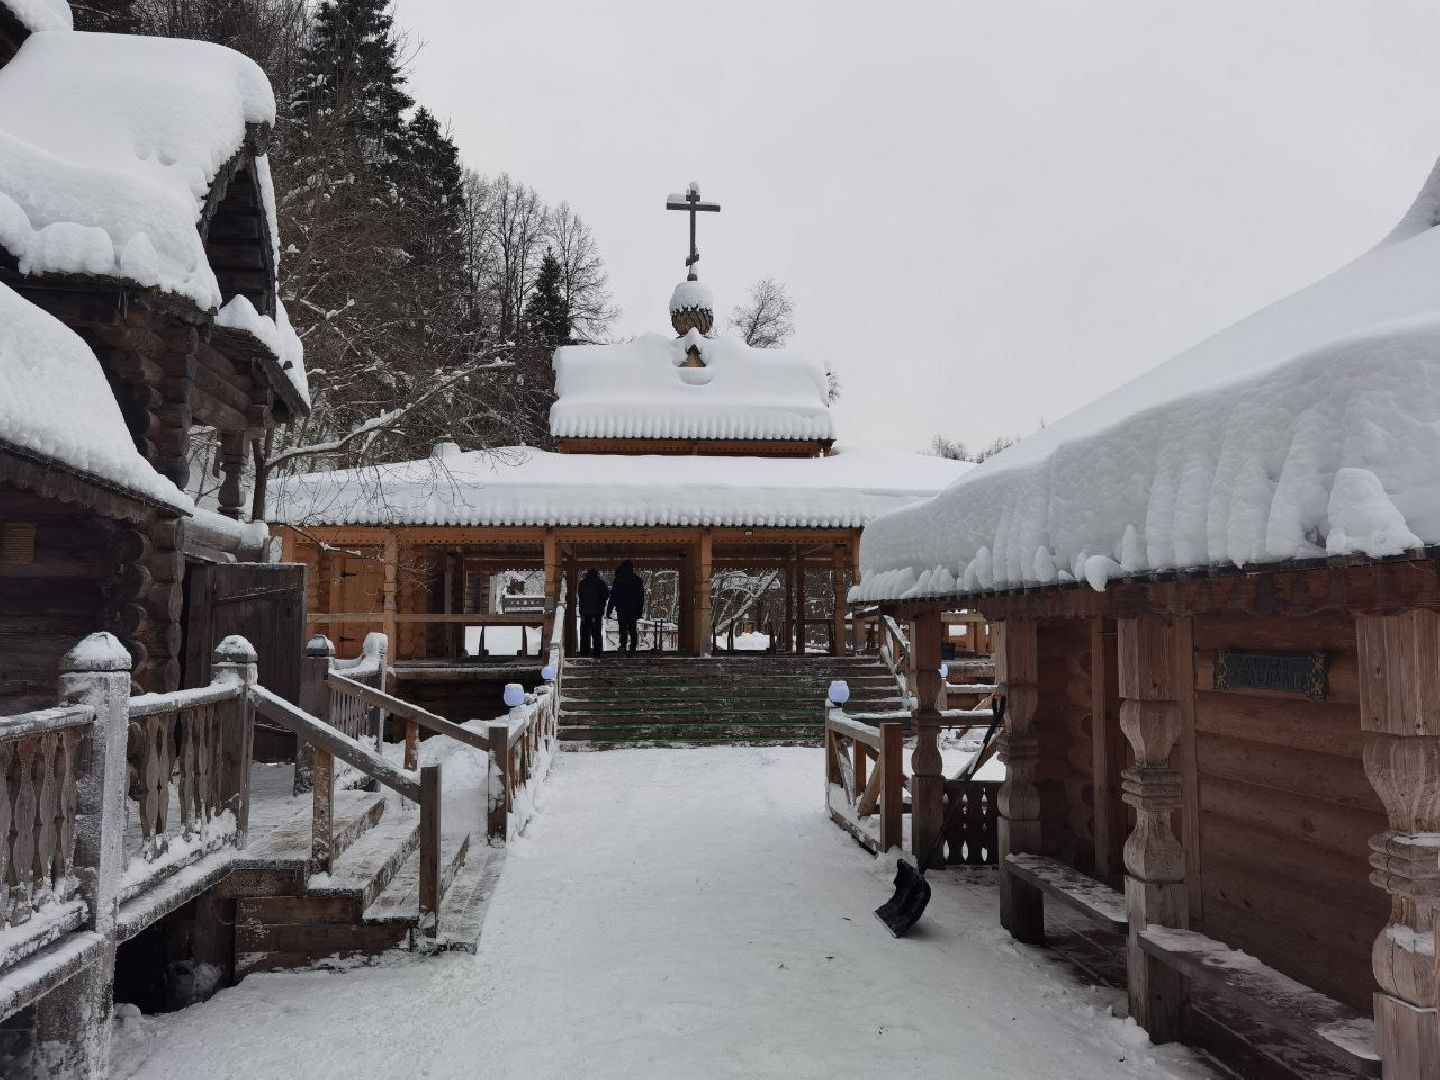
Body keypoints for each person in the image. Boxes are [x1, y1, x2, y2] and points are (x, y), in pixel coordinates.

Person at [606, 560, 645, 654]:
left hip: (622, 609)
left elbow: (613, 596)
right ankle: (633, 647)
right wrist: (639, 611)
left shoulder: (619, 580)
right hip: (633, 609)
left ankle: (623, 646)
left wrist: (609, 610)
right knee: (632, 628)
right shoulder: (637, 580)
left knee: (622, 628)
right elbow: (641, 597)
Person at [576, 569, 609, 656]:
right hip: (596, 613)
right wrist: (601, 602)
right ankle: (597, 652)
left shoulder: (582, 583)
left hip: (585, 613)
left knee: (585, 634)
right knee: (596, 633)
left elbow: (580, 595)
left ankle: (584, 652)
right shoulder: (600, 583)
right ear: (597, 574)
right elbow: (607, 595)